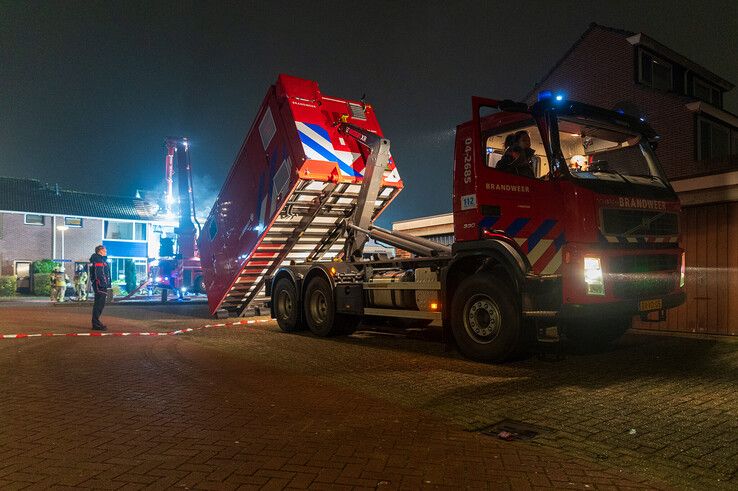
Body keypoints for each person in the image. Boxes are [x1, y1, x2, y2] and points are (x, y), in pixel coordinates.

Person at [89, 245, 111, 331]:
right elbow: (99, 273)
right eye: (104, 250)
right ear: (100, 251)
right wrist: (103, 284)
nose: (106, 251)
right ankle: (96, 324)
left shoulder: (100, 259)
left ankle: (96, 323)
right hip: (100, 285)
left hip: (101, 285)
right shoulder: (98, 259)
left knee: (99, 304)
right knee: (99, 304)